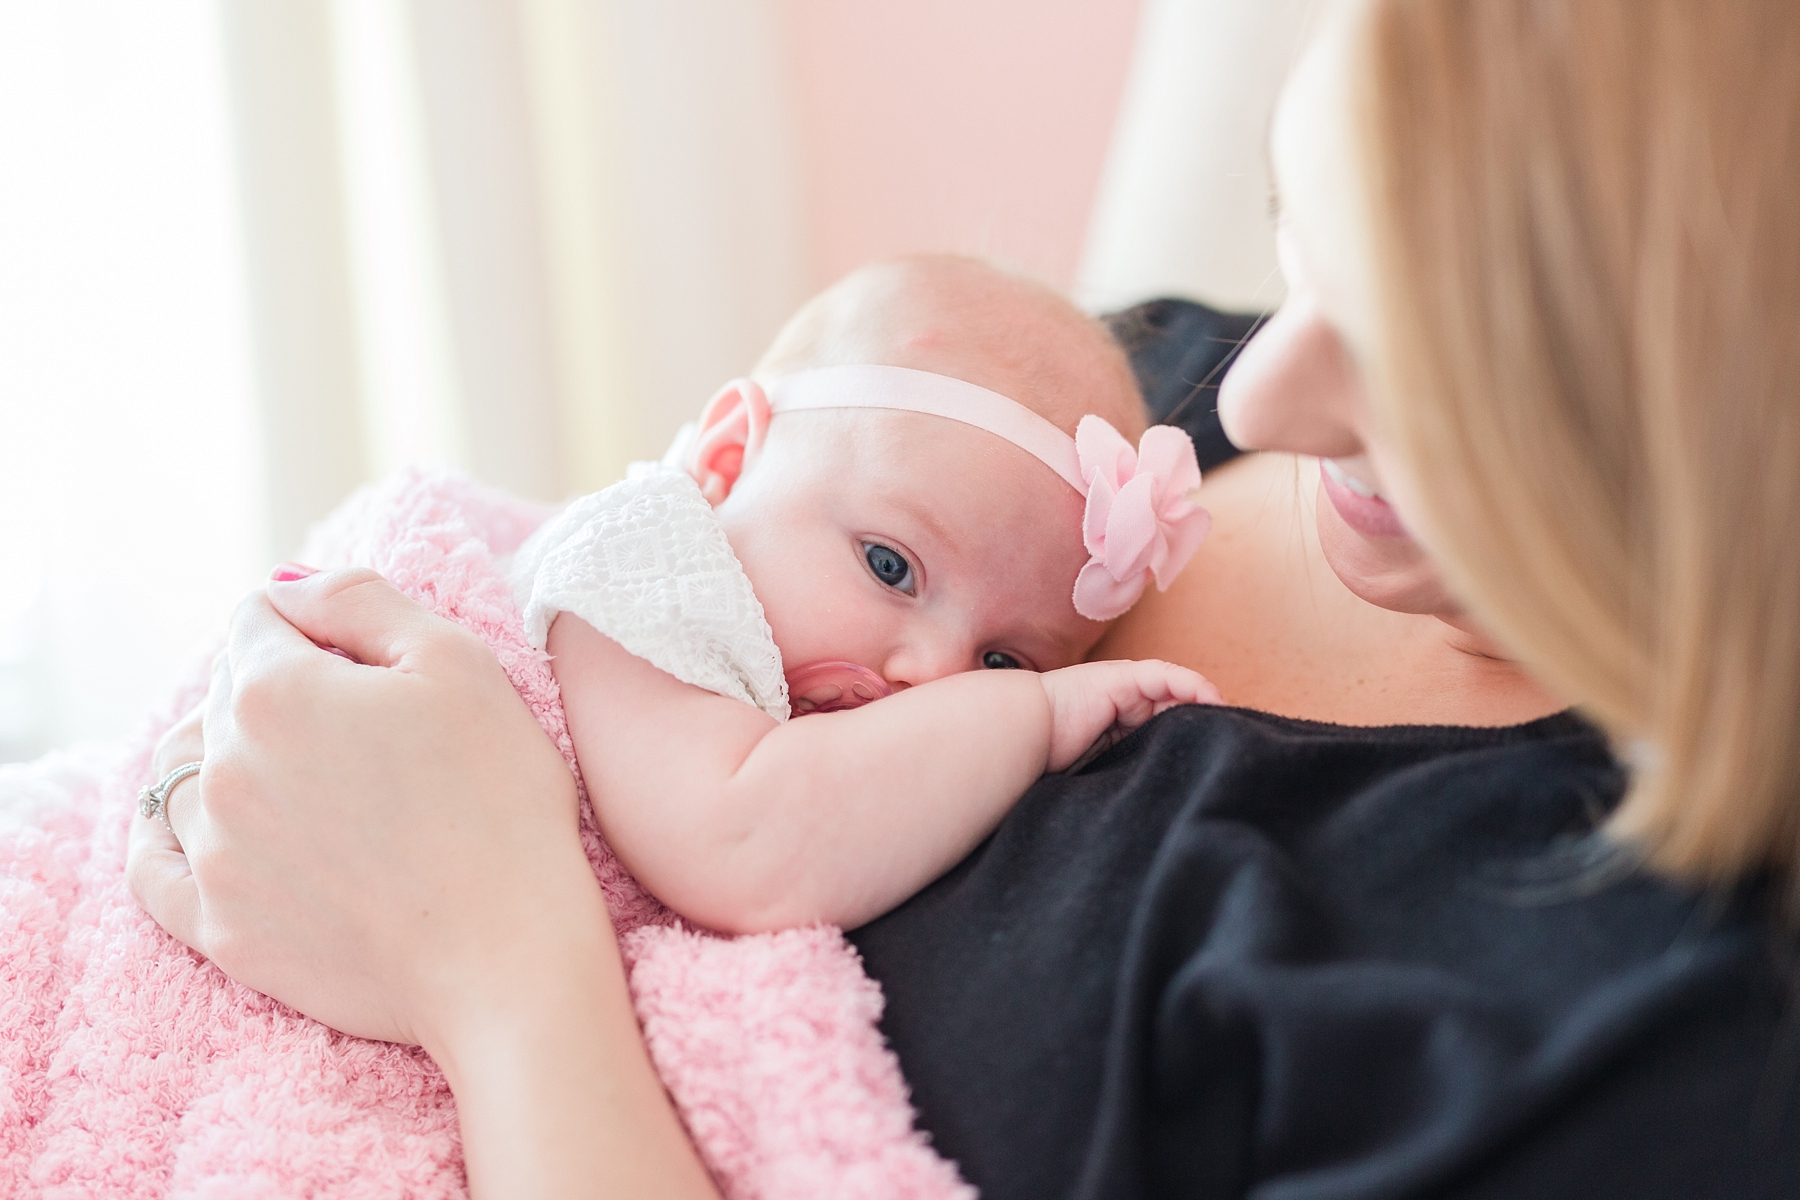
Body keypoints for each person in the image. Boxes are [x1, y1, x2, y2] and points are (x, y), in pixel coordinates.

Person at [128, 1, 1800, 1197]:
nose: (1254, 403)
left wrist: (490, 971)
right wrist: (267, 772)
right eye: (1305, 250)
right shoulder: (1078, 422)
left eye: (1432, 369)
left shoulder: (1660, 1048)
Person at [515, 254, 1216, 936]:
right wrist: (1036, 711)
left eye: (1002, 662)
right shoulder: (634, 572)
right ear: (728, 459)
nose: (936, 679)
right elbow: (743, 849)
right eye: (890, 566)